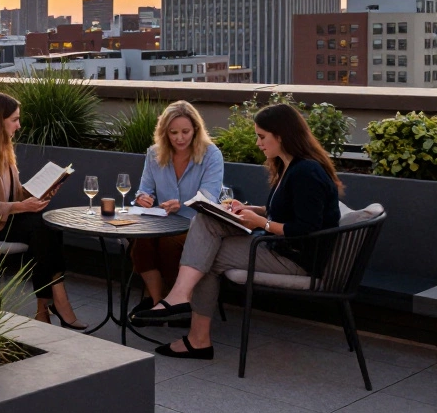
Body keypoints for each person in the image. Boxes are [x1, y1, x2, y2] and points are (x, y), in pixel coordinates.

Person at [131, 103, 341, 359]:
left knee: (206, 255)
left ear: (281, 135)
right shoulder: (289, 166)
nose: (257, 143)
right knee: (206, 233)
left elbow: (306, 228)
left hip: (296, 259)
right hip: (279, 248)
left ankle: (192, 327)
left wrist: (260, 222)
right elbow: (289, 211)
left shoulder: (307, 171)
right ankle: (185, 311)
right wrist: (252, 209)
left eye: (261, 136)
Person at [0, 92, 85, 329]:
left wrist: (43, 191)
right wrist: (22, 206)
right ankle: (52, 304)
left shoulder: (2, 149)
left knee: (49, 225)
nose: (19, 125)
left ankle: (48, 305)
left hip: (2, 220)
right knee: (42, 229)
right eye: (14, 119)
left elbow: (13, 193)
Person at [129, 101, 224, 317]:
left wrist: (182, 203)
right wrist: (143, 198)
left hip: (197, 224)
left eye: (185, 132)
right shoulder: (154, 153)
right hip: (163, 221)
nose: (180, 138)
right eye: (173, 133)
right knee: (141, 243)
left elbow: (209, 197)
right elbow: (143, 189)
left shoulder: (211, 154)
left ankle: (180, 302)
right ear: (165, 132)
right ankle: (158, 302)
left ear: (195, 130)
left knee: (168, 244)